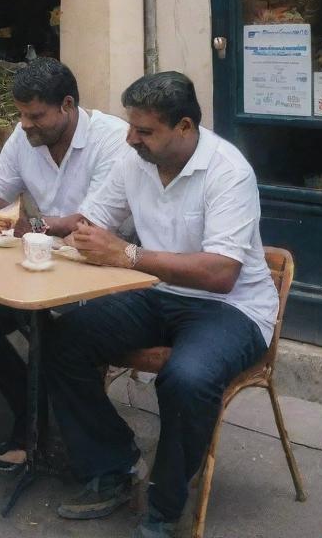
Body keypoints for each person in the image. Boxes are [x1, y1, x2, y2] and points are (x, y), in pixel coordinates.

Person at [43, 72, 278, 538]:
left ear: (185, 127)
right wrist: (40, 228)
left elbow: (221, 273)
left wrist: (128, 254)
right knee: (62, 337)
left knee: (186, 379)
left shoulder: (228, 171)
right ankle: (114, 462)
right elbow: (95, 217)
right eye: (131, 126)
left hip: (233, 309)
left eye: (144, 130)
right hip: (159, 296)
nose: (130, 138)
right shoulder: (136, 162)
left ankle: (163, 511)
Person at [0, 57, 129, 474]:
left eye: (35, 115)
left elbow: (91, 224)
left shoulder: (111, 140)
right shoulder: (27, 138)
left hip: (106, 266)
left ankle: (67, 439)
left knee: (59, 337)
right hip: (46, 259)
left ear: (68, 105)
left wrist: (30, 225)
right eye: (21, 114)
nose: (25, 124)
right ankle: (29, 414)